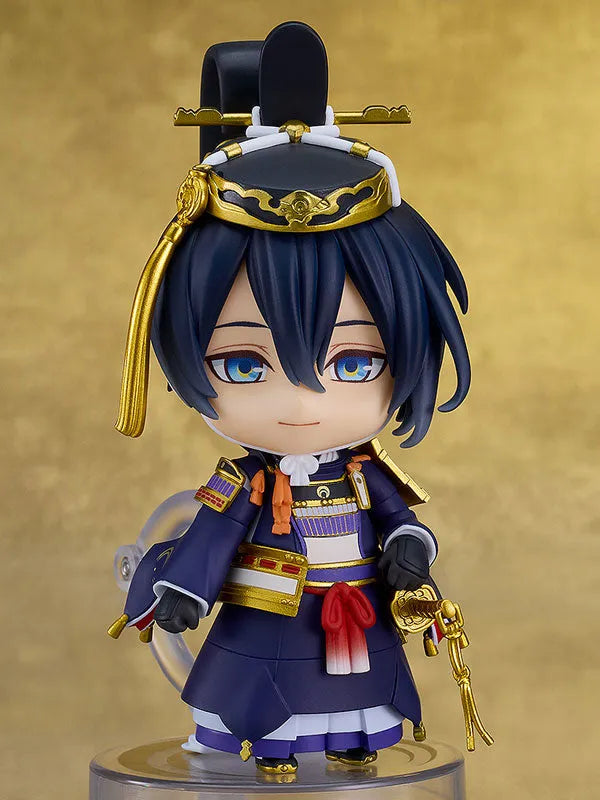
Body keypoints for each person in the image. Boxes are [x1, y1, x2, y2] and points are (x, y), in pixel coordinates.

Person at [110, 21, 470, 775]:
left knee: (359, 714)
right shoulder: (246, 484)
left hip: (358, 623)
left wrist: (408, 549)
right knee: (267, 710)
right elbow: (211, 539)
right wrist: (184, 591)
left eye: (356, 362)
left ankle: (353, 744)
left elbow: (401, 521)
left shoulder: (365, 473)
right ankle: (271, 750)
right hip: (266, 624)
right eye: (245, 364)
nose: (304, 400)